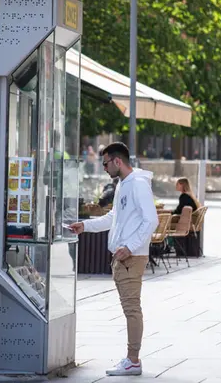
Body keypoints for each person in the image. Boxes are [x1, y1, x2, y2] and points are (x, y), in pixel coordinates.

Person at [69, 142, 158, 376]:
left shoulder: (137, 184)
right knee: (130, 308)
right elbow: (113, 218)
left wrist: (130, 247)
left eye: (106, 163)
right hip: (123, 256)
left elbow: (151, 220)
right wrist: (85, 225)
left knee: (131, 308)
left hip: (131, 257)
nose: (104, 168)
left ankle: (133, 360)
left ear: (118, 161)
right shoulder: (123, 184)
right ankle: (132, 359)